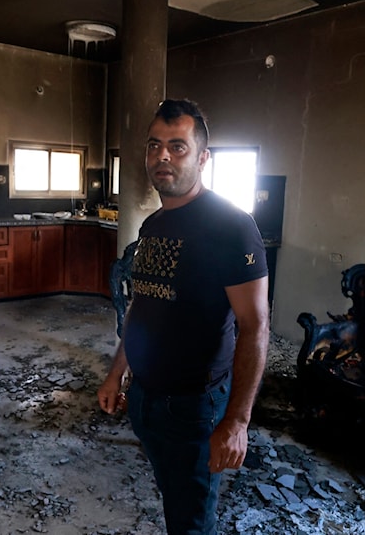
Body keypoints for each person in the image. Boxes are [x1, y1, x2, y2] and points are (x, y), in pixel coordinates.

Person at [97, 99, 270, 535]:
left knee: (192, 519)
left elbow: (255, 326)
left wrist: (237, 421)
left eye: (178, 147)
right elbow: (143, 305)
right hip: (145, 398)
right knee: (174, 498)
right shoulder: (153, 225)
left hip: (195, 406)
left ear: (203, 158)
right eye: (155, 146)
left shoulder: (231, 227)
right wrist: (117, 371)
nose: (163, 157)